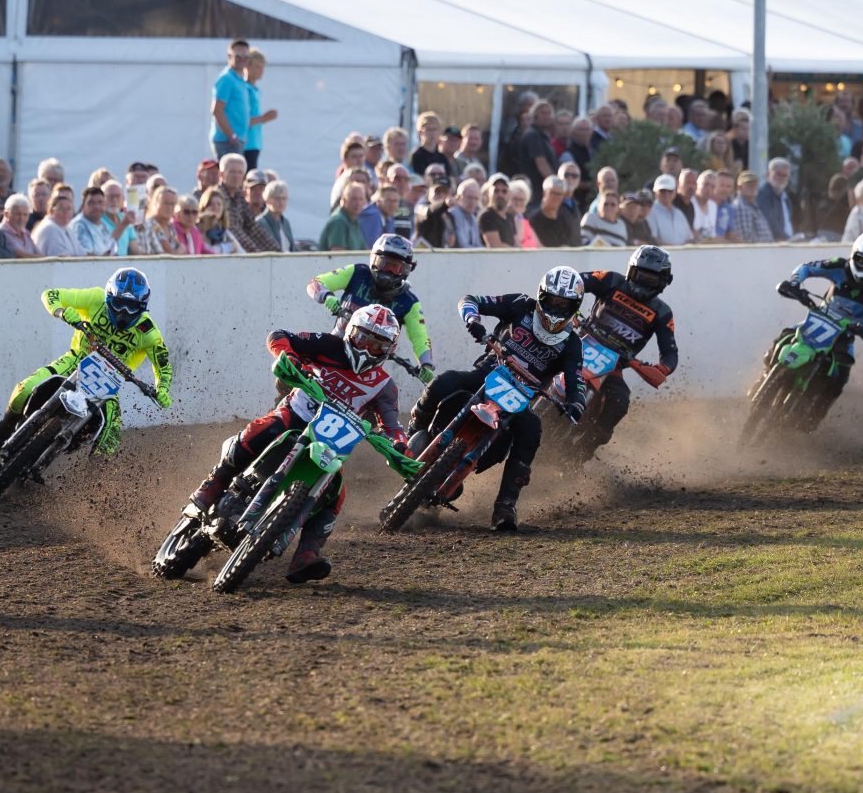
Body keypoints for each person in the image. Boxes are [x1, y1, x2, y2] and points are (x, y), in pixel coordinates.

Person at [176, 304, 411, 584]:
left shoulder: (385, 387)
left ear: (387, 350)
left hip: (332, 442)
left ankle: (307, 554)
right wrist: (288, 356)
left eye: (376, 345)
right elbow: (279, 335)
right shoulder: (327, 344)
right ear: (350, 333)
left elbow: (393, 426)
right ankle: (213, 484)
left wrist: (399, 445)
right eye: (362, 338)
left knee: (335, 493)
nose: (366, 348)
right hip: (297, 414)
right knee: (264, 430)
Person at [410, 267, 589, 531]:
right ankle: (411, 433)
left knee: (531, 429)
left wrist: (575, 403)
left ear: (575, 306)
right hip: (487, 372)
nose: (556, 308)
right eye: (552, 300)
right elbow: (471, 300)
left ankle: (506, 505)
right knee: (444, 381)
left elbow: (576, 380)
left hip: (520, 398)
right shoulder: (519, 304)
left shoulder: (572, 343)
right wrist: (472, 320)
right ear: (541, 296)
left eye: (564, 304)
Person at [0, 269, 174, 460]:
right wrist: (61, 311)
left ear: (143, 307)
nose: (124, 312)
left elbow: (163, 366)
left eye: (132, 307)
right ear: (108, 297)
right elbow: (51, 294)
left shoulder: (149, 333)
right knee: (25, 388)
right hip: (76, 360)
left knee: (110, 438)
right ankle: (4, 427)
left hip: (109, 382)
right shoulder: (95, 298)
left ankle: (89, 483)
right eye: (119, 304)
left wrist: (162, 389)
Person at [773, 232, 863, 426]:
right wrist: (795, 283)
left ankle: (812, 420)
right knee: (785, 335)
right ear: (854, 255)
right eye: (862, 261)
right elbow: (806, 268)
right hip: (819, 320)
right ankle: (765, 376)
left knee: (840, 378)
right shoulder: (838, 265)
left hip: (847, 334)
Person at [576, 245, 679, 451]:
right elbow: (575, 282)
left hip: (614, 365)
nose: (644, 283)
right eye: (641, 276)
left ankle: (585, 450)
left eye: (651, 279)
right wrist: (567, 308)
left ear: (664, 281)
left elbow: (670, 352)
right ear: (631, 271)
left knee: (619, 401)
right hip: (578, 346)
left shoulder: (662, 313)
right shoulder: (610, 280)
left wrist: (662, 369)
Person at [308, 234, 434, 381]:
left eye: (395, 267)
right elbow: (317, 282)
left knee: (385, 400)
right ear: (373, 260)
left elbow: (420, 337)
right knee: (297, 373)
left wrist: (427, 365)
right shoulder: (357, 273)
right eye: (383, 263)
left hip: (370, 368)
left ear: (405, 270)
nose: (388, 271)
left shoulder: (409, 302)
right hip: (335, 347)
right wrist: (327, 296)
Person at [209, 38, 260, 164]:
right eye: (238, 56)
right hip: (227, 140)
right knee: (231, 176)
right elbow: (217, 110)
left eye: (246, 56)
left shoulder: (240, 80)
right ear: (229, 57)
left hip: (236, 140)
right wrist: (231, 135)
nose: (242, 59)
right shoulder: (227, 79)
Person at [642, 174, 693, 245]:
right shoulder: (650, 212)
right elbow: (654, 239)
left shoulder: (679, 213)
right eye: (662, 191)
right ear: (655, 192)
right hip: (662, 255)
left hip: (682, 254)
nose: (666, 194)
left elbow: (689, 238)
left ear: (675, 192)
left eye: (670, 191)